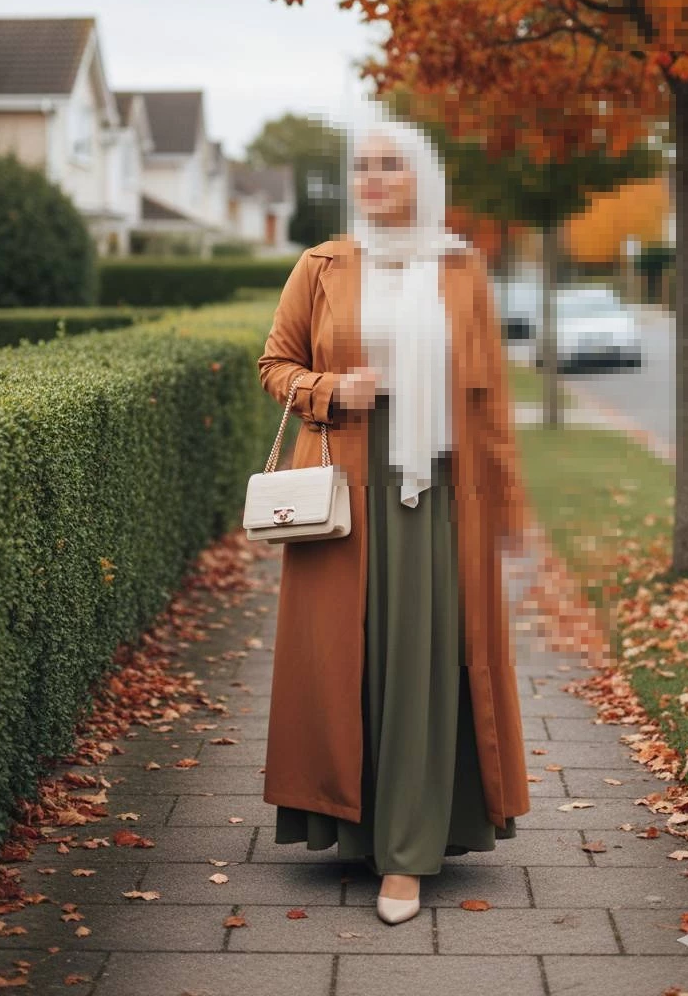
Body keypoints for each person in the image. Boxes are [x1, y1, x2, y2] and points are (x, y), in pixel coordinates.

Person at [257, 114, 531, 925]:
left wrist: (513, 516)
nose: (374, 178)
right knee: (350, 663)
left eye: (392, 165)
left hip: (441, 495)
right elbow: (276, 363)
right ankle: (353, 828)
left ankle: (407, 856)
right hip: (346, 487)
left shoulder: (460, 271)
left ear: (422, 178)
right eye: (364, 166)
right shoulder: (323, 267)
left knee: (421, 667)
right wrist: (331, 391)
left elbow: (490, 406)